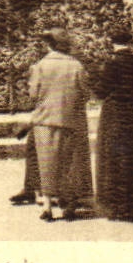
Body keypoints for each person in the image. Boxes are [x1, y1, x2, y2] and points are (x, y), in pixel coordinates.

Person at [27, 28, 93, 221]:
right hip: (71, 119)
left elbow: (33, 95)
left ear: (49, 45)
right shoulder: (76, 65)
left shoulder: (40, 66)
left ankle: (47, 206)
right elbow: (85, 93)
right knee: (71, 163)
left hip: (45, 120)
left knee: (47, 163)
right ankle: (70, 206)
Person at [93, 29, 133, 221]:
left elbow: (101, 91)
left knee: (114, 155)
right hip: (131, 111)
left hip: (114, 112)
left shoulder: (112, 64)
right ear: (130, 41)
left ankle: (117, 205)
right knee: (132, 155)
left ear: (113, 43)